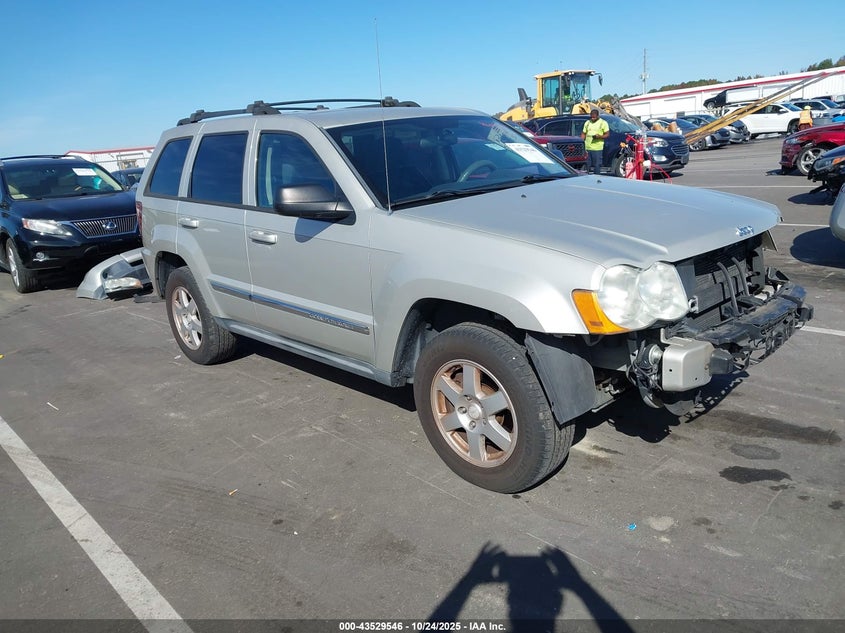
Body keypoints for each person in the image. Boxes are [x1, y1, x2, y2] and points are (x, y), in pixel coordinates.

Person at [581, 109, 610, 174]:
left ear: (598, 116)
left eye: (594, 117)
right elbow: (583, 133)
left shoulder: (603, 123)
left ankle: (596, 179)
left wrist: (599, 136)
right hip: (587, 148)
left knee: (597, 165)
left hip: (597, 149)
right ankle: (586, 179)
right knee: (586, 165)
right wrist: (581, 142)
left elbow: (607, 134)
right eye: (591, 117)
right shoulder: (587, 122)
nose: (592, 118)